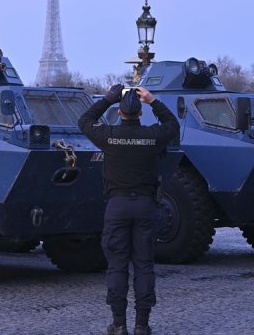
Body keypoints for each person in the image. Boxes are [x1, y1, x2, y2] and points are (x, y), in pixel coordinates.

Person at [78, 84, 179, 335]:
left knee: (117, 265)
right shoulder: (152, 136)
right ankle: (142, 325)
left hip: (117, 207)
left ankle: (119, 324)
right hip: (145, 206)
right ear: (139, 114)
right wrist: (153, 100)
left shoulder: (109, 136)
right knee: (144, 265)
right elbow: (173, 125)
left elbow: (85, 120)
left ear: (120, 113)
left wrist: (108, 99)